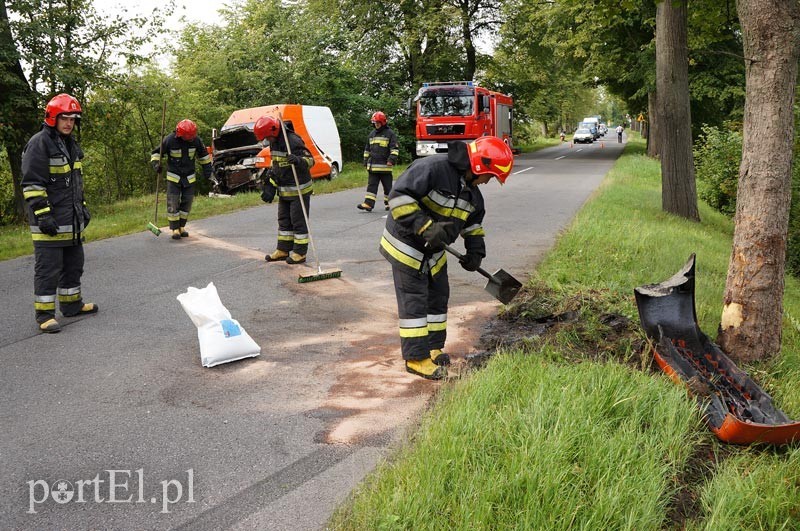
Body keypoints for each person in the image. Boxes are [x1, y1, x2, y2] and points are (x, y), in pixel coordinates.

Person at [380, 136, 514, 380]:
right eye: (490, 176)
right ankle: (416, 358)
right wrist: (424, 226)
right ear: (479, 167)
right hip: (407, 243)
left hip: (434, 248)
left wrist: (476, 252)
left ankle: (432, 347)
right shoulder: (432, 169)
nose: (488, 182)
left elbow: (473, 226)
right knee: (414, 299)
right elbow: (397, 198)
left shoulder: (474, 195)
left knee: (438, 295)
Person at [21, 93, 98, 333]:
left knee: (74, 265)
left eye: (73, 120)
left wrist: (82, 209)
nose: (69, 123)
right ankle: (44, 315)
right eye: (64, 118)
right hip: (49, 222)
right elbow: (32, 183)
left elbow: (74, 183)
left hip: (70, 221)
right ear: (53, 118)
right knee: (48, 269)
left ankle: (71, 305)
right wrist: (43, 215)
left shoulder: (70, 144)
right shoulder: (39, 143)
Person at [254, 115, 316, 264]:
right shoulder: (274, 143)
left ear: (273, 131)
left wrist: (298, 160)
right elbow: (276, 166)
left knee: (298, 222)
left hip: (299, 190)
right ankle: (283, 249)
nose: (267, 141)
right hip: (284, 190)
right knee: (284, 221)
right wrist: (270, 184)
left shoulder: (293, 141)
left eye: (267, 138)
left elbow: (311, 160)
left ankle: (300, 253)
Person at [150, 119, 213, 240]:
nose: (190, 139)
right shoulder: (170, 140)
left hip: (189, 178)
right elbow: (156, 153)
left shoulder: (196, 140)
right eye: (188, 137)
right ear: (181, 135)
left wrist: (208, 173)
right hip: (174, 177)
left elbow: (204, 157)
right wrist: (156, 165)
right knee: (173, 203)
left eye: (192, 136)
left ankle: (182, 226)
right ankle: (174, 229)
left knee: (187, 203)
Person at [358, 111, 399, 212]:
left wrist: (391, 160)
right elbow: (367, 149)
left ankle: (390, 204)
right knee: (371, 186)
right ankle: (368, 204)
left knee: (388, 187)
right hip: (373, 167)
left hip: (385, 167)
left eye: (378, 123)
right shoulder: (371, 134)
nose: (376, 125)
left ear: (383, 123)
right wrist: (365, 161)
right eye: (375, 123)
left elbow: (394, 149)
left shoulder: (390, 134)